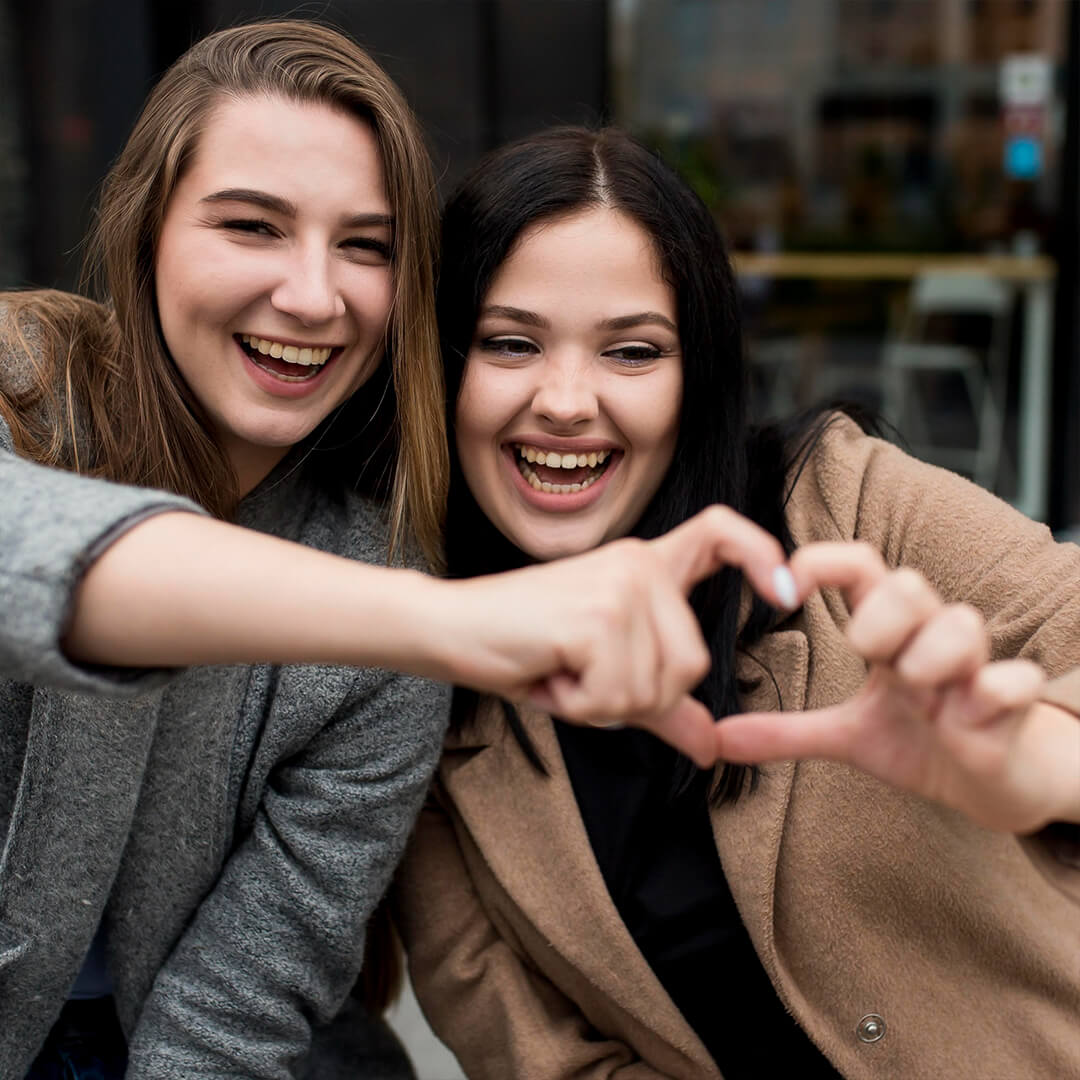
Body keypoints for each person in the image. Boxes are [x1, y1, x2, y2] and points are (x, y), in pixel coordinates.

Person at [0, 29, 790, 1080]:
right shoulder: (20, 388)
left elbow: (232, 1011)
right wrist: (456, 626)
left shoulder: (388, 568)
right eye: (252, 226)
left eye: (366, 246)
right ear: (145, 228)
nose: (316, 297)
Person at [393, 126, 1080, 1079]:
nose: (565, 399)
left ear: (697, 375)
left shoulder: (844, 505)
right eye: (511, 343)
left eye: (632, 352)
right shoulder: (422, 685)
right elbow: (538, 1054)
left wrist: (1037, 761)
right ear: (438, 365)